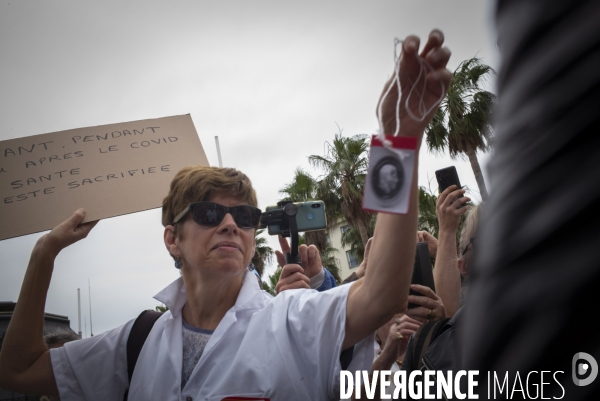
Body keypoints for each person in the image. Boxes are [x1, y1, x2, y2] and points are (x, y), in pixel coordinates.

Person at [0, 30, 452, 400]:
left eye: (246, 215)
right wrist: (44, 254)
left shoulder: (293, 320)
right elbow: (19, 372)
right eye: (210, 212)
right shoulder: (135, 342)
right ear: (172, 239)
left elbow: (381, 294)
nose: (231, 224)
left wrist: (398, 143)